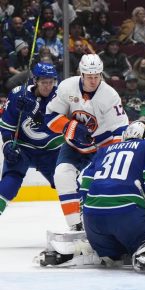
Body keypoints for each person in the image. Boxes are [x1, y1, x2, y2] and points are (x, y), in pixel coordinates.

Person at [80, 120, 145, 273]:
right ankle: (144, 251)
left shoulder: (104, 151)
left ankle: (106, 253)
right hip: (128, 219)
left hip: (93, 221)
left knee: (114, 251)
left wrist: (86, 214)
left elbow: (85, 184)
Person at [44, 54, 129, 230]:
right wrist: (71, 127)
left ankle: (102, 223)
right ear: (81, 74)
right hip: (74, 145)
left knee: (98, 184)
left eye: (96, 76)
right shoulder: (67, 87)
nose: (93, 80)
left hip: (102, 146)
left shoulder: (110, 95)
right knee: (61, 175)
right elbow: (50, 117)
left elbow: (120, 129)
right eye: (89, 76)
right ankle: (75, 225)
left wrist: (112, 155)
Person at [0, 63, 62, 216]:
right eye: (44, 82)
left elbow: (60, 124)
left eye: (51, 82)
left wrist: (35, 110)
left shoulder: (62, 96)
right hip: (23, 147)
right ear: (35, 81)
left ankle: (81, 220)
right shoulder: (17, 95)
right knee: (10, 182)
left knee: (66, 184)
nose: (48, 86)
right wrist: (8, 145)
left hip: (51, 150)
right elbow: (7, 125)